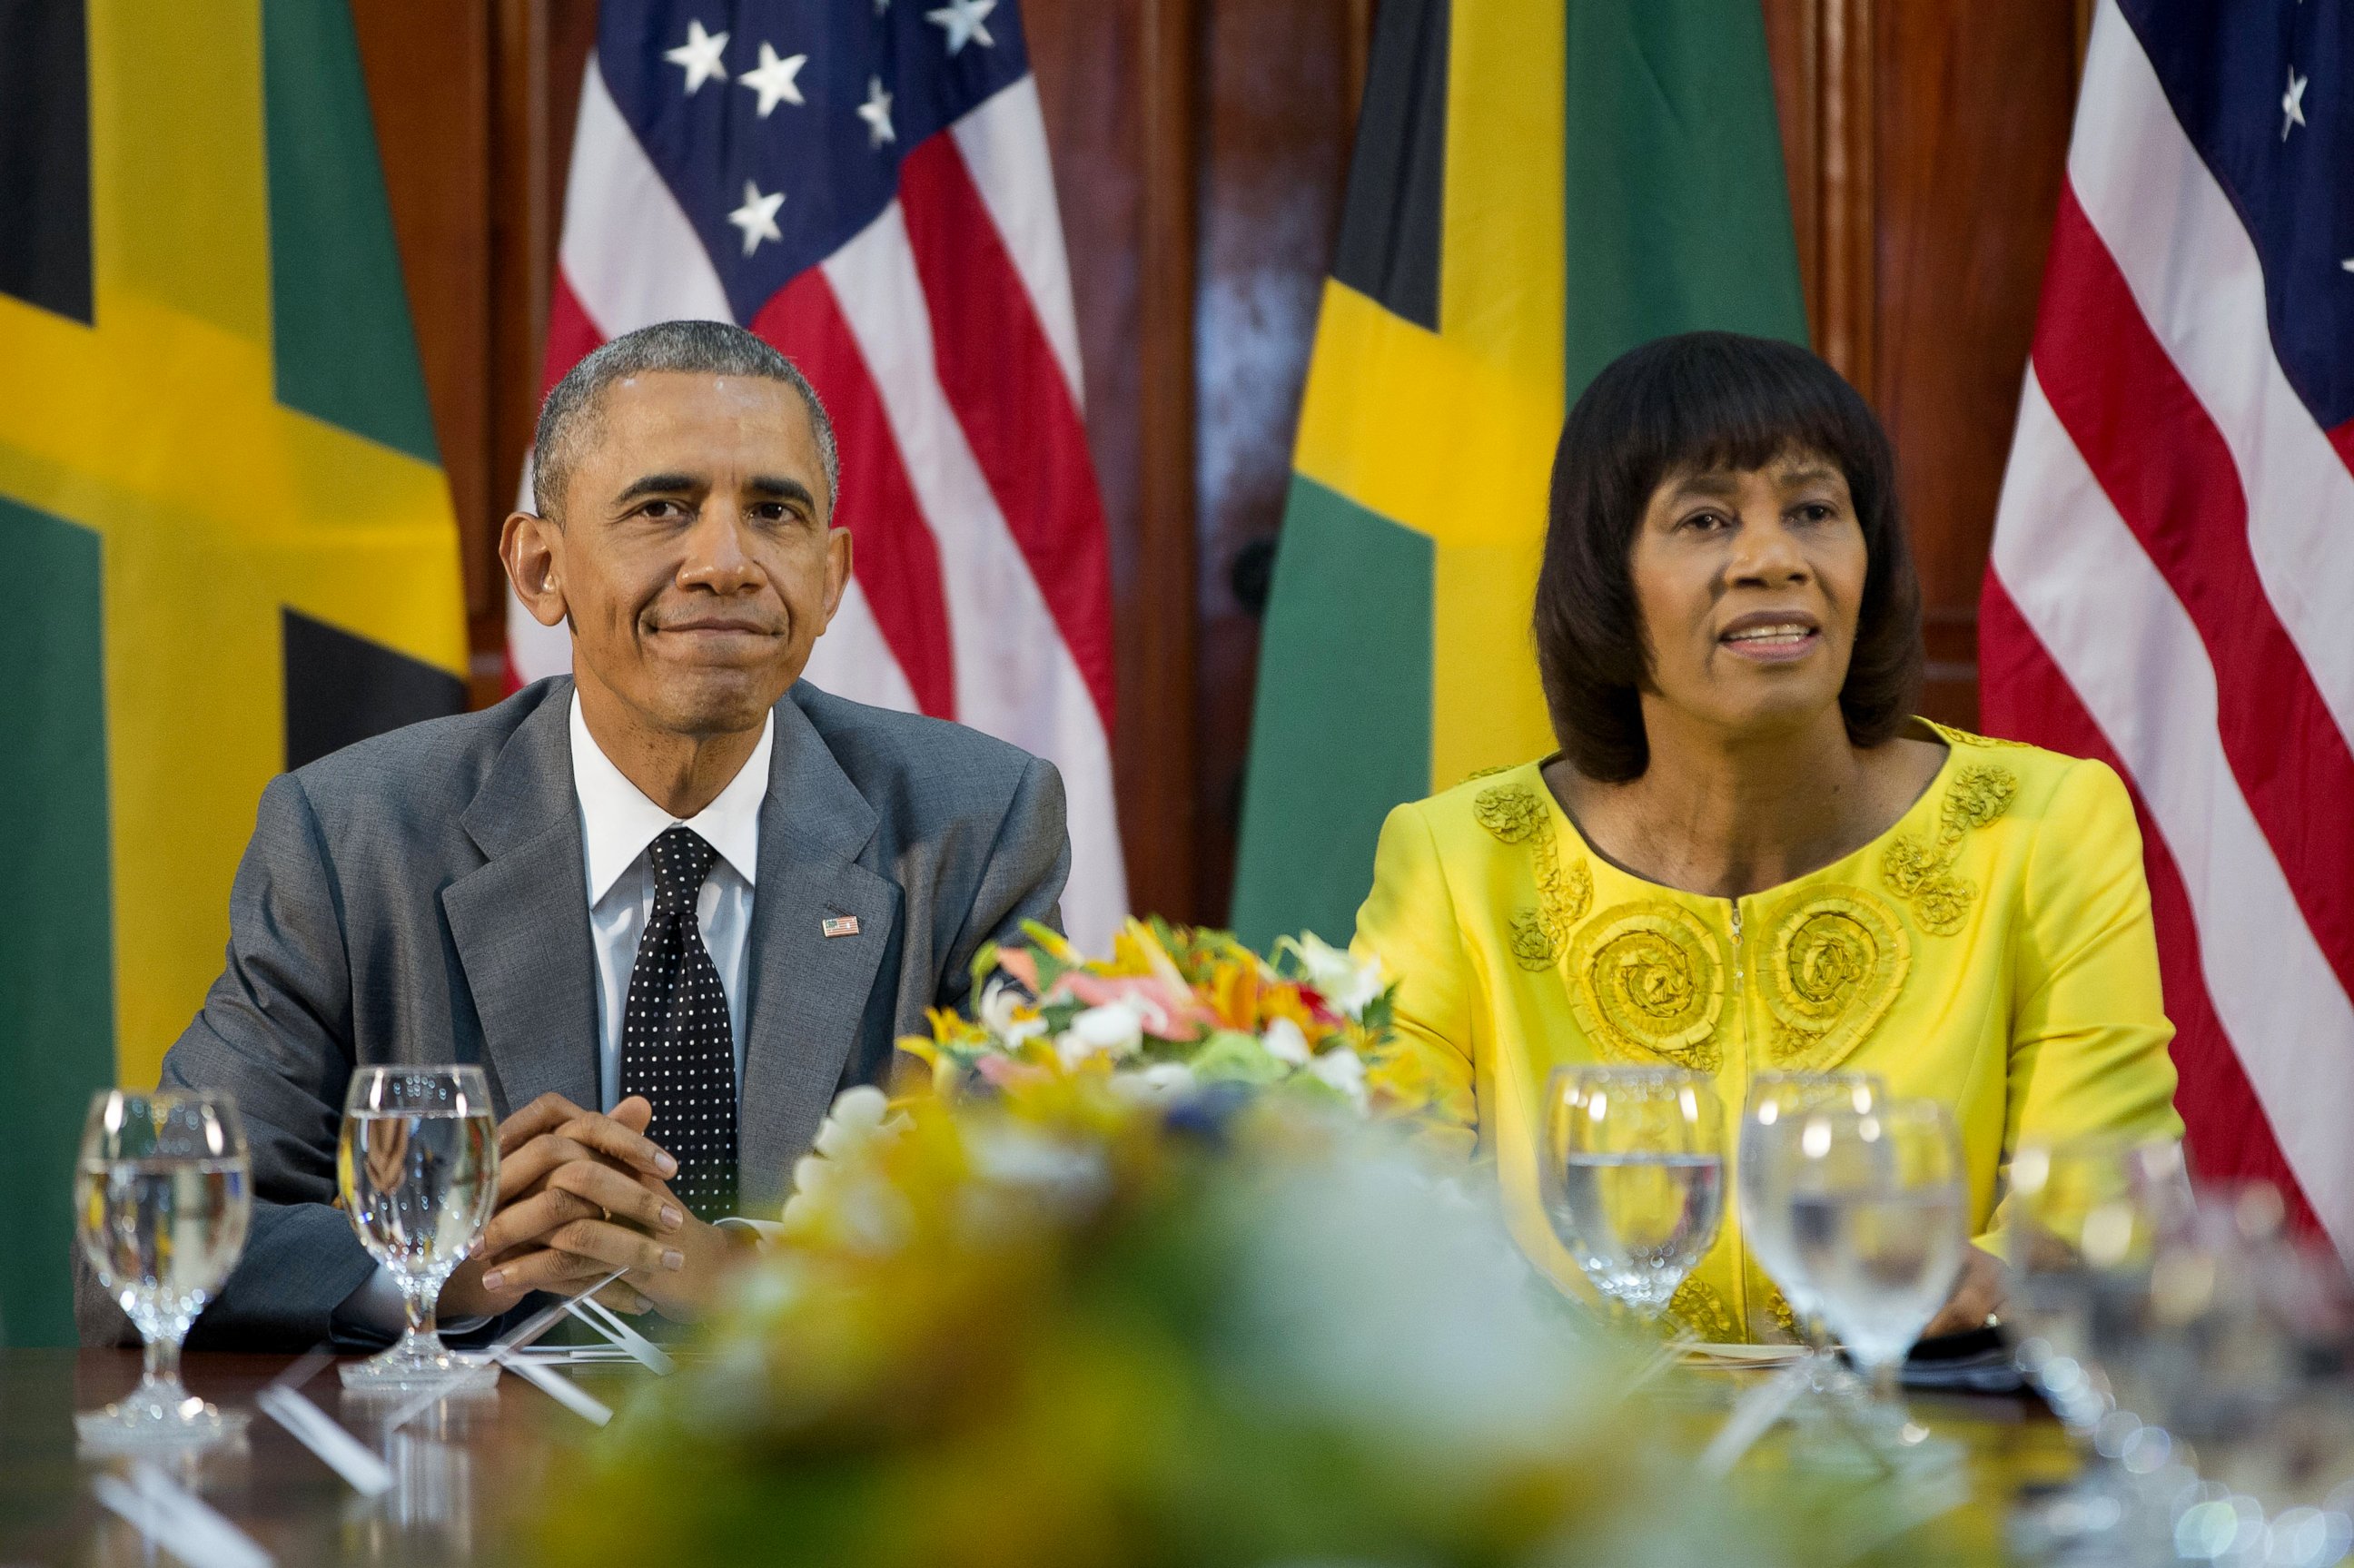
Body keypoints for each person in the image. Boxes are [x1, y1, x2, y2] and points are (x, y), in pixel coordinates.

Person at [78, 321, 1070, 1348]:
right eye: (662, 508)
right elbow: (144, 1252)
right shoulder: (353, 838)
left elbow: (1062, 1245)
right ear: (540, 565)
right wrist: (439, 1263)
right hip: (469, 1489)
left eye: (774, 511)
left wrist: (741, 1273)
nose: (725, 562)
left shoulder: (976, 826)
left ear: (829, 575)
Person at [1352, 331, 2182, 1343]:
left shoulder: (2043, 824)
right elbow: (1376, 1218)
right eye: (1705, 518)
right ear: (1607, 583)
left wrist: (1995, 1283)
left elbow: (2106, 1210)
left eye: (1814, 511)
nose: (1774, 558)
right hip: (1574, 1472)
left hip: (1934, 1453)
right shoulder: (1457, 860)